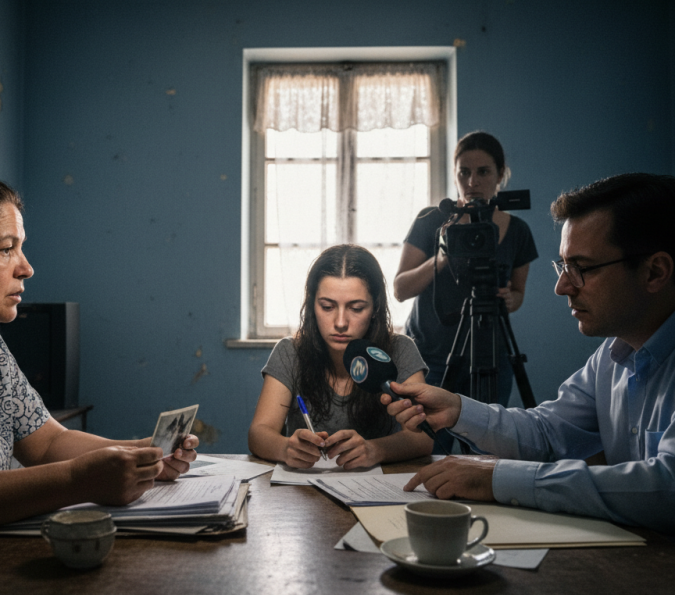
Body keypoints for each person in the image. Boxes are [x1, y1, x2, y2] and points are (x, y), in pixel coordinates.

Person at [0, 169, 199, 567]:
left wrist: (144, 453)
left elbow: (46, 443)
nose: (26, 268)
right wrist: (76, 481)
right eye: (6, 249)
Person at [384, 173, 675, 533]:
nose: (561, 286)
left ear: (655, 272)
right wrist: (457, 409)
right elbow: (547, 432)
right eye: (563, 265)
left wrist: (497, 478)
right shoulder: (612, 356)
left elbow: (667, 485)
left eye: (580, 268)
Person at [248, 244, 433, 470]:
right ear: (311, 305)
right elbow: (258, 433)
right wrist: (286, 448)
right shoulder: (290, 352)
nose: (340, 323)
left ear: (375, 308)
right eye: (327, 307)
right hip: (303, 493)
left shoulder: (400, 350)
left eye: (356, 308)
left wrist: (375, 450)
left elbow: (424, 438)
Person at [393, 131, 538, 407]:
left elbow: (517, 294)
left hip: (490, 356)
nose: (472, 182)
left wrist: (510, 299)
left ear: (500, 175)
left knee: (489, 443)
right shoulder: (431, 220)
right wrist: (444, 254)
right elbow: (400, 289)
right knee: (430, 444)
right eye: (464, 173)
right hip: (429, 356)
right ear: (455, 175)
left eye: (483, 172)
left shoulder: (518, 231)